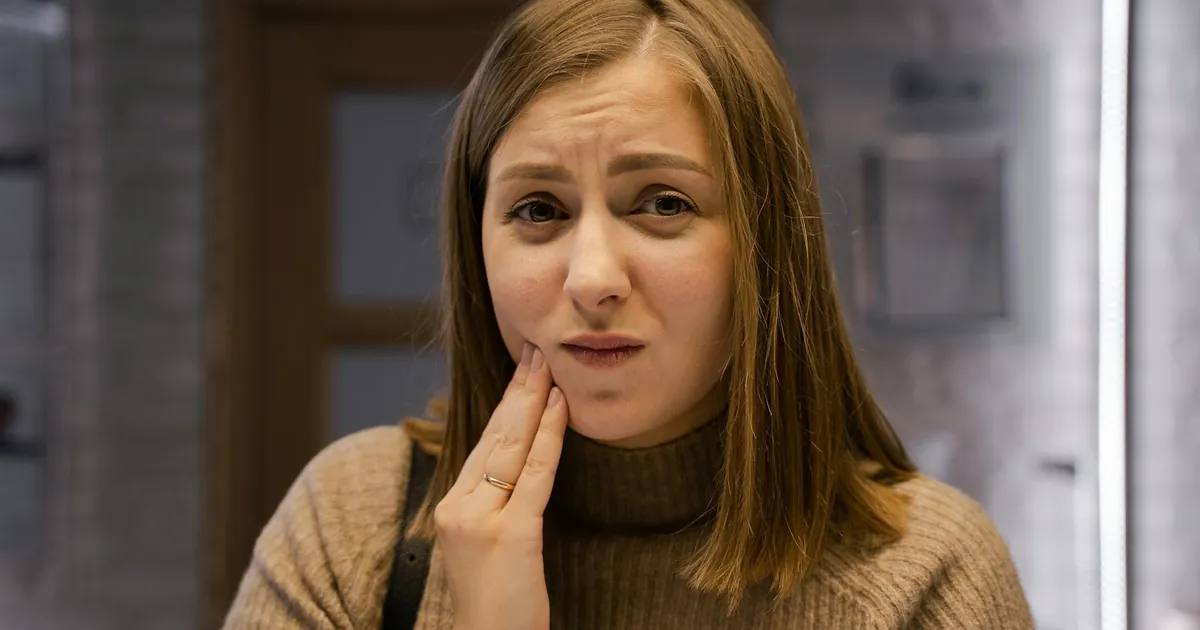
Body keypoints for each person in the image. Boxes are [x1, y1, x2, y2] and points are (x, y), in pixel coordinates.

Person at [223, 0, 1034, 627]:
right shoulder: (353, 526)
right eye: (538, 210)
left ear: (763, 242)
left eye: (663, 202)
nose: (593, 277)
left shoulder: (928, 575)